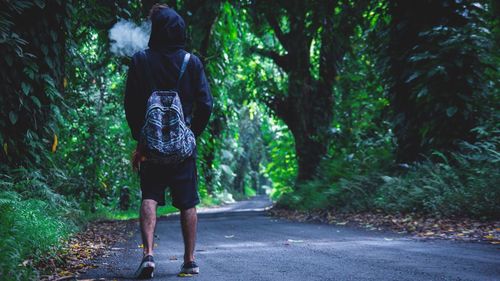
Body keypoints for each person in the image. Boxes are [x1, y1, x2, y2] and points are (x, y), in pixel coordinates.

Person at [124, 4, 213, 279]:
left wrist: (141, 141)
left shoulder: (140, 60)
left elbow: (130, 105)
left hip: (151, 147)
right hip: (182, 150)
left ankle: (148, 255)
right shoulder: (192, 62)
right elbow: (206, 104)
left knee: (149, 196)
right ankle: (189, 260)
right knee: (188, 202)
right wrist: (191, 134)